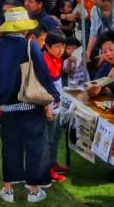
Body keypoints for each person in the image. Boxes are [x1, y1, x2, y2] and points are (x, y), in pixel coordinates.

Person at [0, 7, 58, 203]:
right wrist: (54, 94)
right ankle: (34, 190)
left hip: (7, 106)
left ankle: (8, 188)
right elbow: (44, 74)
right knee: (35, 146)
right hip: (29, 104)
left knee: (10, 146)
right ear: (25, 28)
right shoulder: (30, 45)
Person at [40, 30, 68, 183]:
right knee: (48, 139)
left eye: (63, 46)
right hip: (49, 107)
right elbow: (42, 87)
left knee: (55, 136)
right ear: (48, 46)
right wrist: (46, 108)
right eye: (57, 46)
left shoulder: (58, 59)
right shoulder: (45, 61)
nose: (61, 50)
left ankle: (53, 163)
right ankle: (46, 170)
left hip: (56, 106)